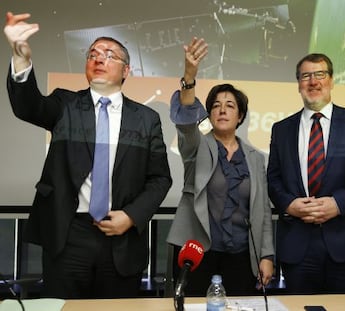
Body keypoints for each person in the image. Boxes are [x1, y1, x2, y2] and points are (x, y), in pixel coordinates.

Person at [4, 12, 172, 299]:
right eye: (92, 53)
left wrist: (131, 217)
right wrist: (21, 57)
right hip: (69, 235)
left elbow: (159, 179)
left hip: (121, 236)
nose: (98, 58)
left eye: (109, 54)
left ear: (126, 70)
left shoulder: (146, 119)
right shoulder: (65, 104)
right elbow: (28, 106)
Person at [267, 53, 345, 294]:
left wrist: (338, 203)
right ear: (299, 84)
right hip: (297, 245)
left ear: (331, 80)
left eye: (320, 74)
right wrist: (289, 205)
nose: (313, 82)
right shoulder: (281, 129)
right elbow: (273, 179)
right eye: (306, 76)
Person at [166, 37, 274, 296]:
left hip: (241, 255)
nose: (222, 111)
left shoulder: (256, 158)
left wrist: (267, 255)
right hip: (196, 252)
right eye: (215, 106)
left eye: (230, 106)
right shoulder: (196, 146)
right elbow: (186, 120)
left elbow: (263, 213)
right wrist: (189, 76)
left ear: (240, 116)